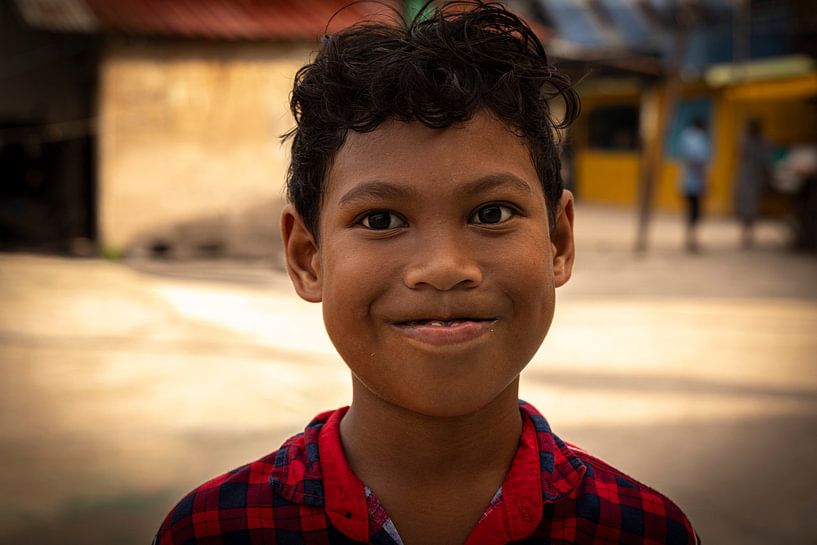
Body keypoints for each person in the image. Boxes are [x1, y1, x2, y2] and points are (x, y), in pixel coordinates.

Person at [154, 3, 699, 544]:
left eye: (492, 213)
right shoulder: (213, 530)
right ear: (306, 257)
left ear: (558, 241)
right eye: (381, 219)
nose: (443, 269)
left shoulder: (643, 530)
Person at [733, 118, 770, 248]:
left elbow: (765, 162)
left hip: (755, 179)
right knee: (745, 207)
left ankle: (750, 234)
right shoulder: (745, 141)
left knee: (753, 207)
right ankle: (745, 233)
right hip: (746, 177)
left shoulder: (762, 142)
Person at [678, 117, 710, 252]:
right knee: (695, 211)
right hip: (695, 181)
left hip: (686, 179)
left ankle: (690, 239)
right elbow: (697, 160)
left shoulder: (685, 136)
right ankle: (692, 240)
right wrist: (703, 180)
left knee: (690, 210)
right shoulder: (698, 139)